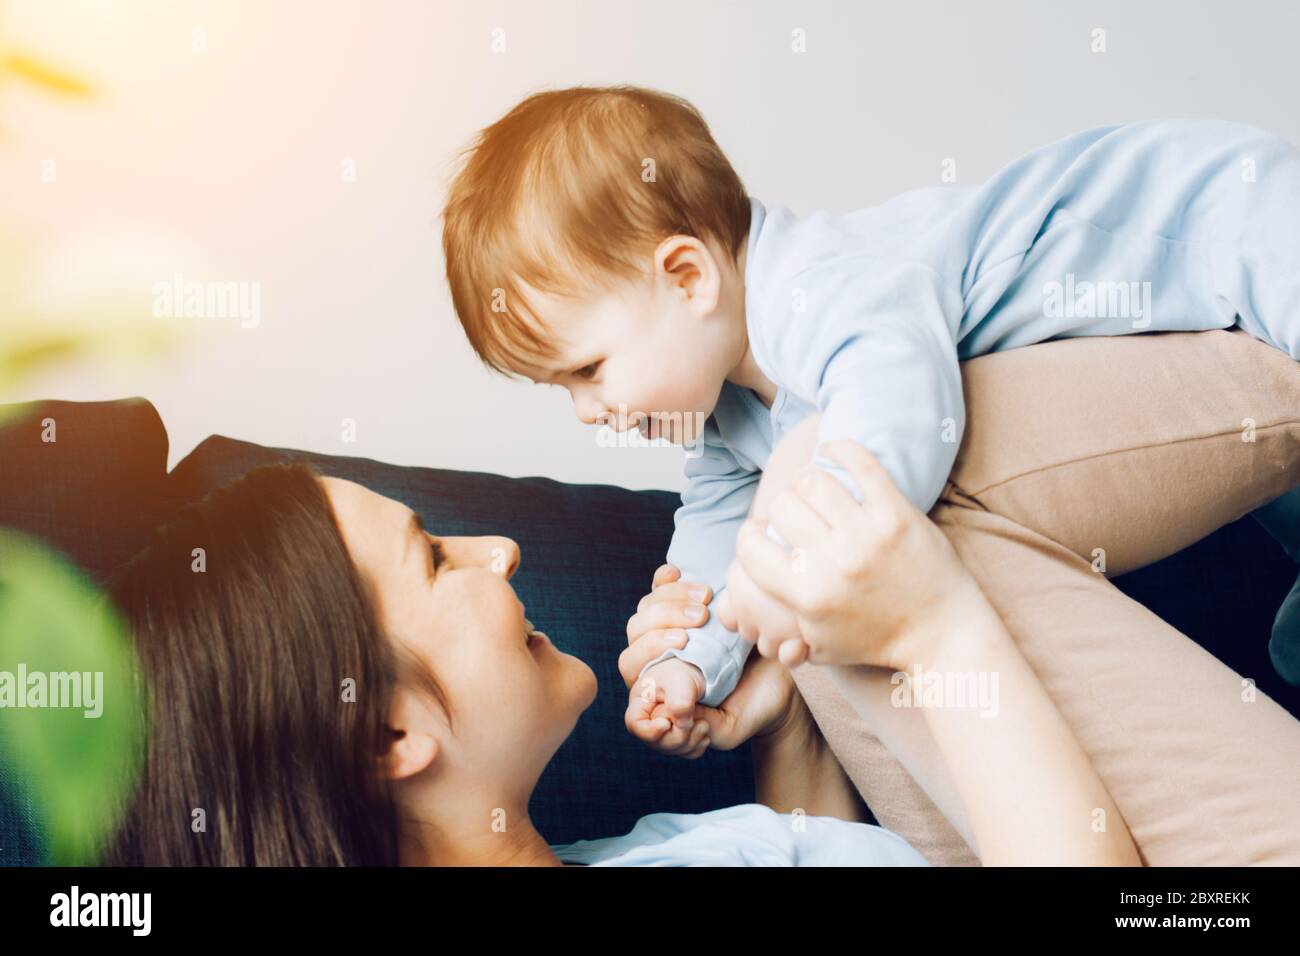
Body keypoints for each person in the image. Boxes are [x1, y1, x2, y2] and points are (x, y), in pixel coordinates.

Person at [439, 87, 1300, 749]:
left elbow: (901, 407)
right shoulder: (732, 421)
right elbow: (712, 541)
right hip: (1179, 353)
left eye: (588, 369)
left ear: (688, 277)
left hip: (1216, 217)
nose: (592, 410)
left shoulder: (822, 285)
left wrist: (785, 563)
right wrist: (687, 660)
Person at [101, 457, 1134, 865]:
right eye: (434, 555)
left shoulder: (624, 848)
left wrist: (782, 725)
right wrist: (936, 627)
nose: (497, 547)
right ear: (384, 731)